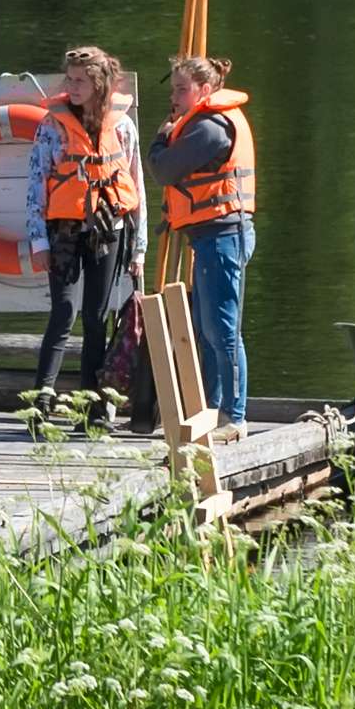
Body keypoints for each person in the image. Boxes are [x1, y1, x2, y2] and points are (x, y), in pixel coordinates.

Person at [23, 45, 144, 413]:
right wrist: (38, 241)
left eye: (80, 81)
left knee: (96, 318)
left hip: (110, 229)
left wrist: (139, 249)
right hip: (63, 230)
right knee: (63, 312)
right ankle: (41, 402)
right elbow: (36, 184)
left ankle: (93, 408)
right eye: (69, 79)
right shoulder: (52, 126)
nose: (71, 87)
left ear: (99, 85)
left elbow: (136, 185)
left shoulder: (122, 126)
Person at [151, 49, 258, 430]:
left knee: (222, 331)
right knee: (206, 329)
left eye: (182, 90)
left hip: (224, 236)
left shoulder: (210, 128)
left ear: (205, 90)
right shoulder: (199, 123)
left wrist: (160, 140)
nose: (174, 97)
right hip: (210, 236)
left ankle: (235, 416)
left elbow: (164, 171)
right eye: (174, 89)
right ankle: (214, 408)